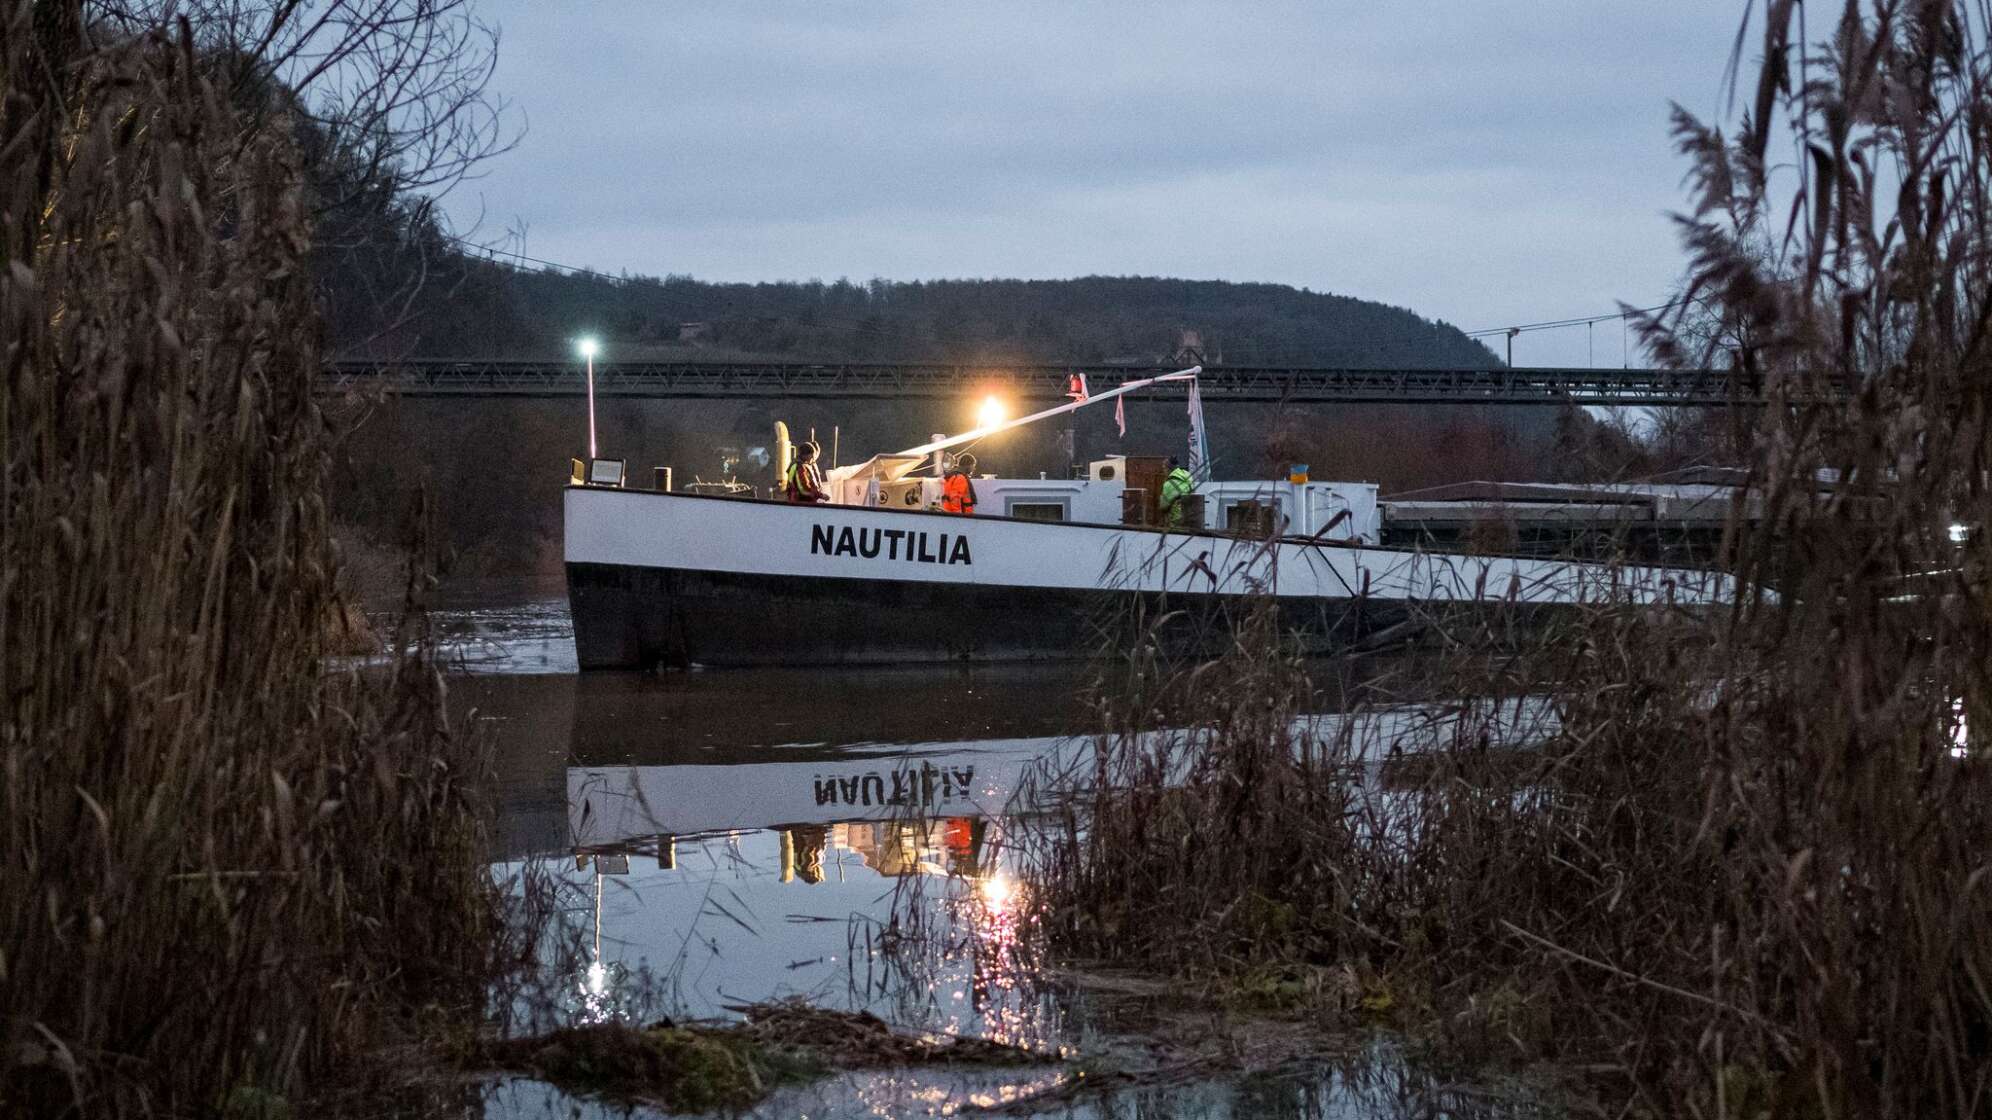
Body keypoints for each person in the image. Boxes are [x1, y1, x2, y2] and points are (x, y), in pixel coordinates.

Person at [1159, 455, 1196, 527]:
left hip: (1177, 520)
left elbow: (1163, 506)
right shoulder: (1188, 475)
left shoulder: (1168, 484)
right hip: (1191, 516)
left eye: (1164, 468)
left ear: (1168, 469)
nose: (1163, 471)